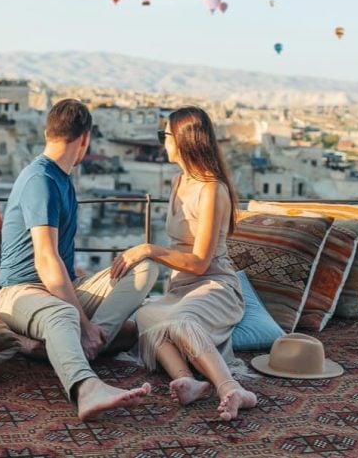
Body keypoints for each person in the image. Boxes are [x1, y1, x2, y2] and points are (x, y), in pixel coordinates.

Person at [0, 99, 159, 421]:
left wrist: (87, 314)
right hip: (22, 293)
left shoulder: (61, 178)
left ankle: (78, 344)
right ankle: (86, 387)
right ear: (85, 139)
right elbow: (45, 259)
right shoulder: (40, 180)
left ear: (48, 132)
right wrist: (83, 322)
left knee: (145, 267)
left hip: (60, 287)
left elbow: (59, 262)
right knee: (64, 316)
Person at [110, 106, 257, 421]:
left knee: (182, 320)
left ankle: (230, 388)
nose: (162, 141)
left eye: (165, 135)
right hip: (180, 288)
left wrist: (149, 249)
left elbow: (201, 262)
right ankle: (186, 379)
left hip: (214, 285)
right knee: (148, 314)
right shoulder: (179, 181)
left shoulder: (212, 189)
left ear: (181, 139)